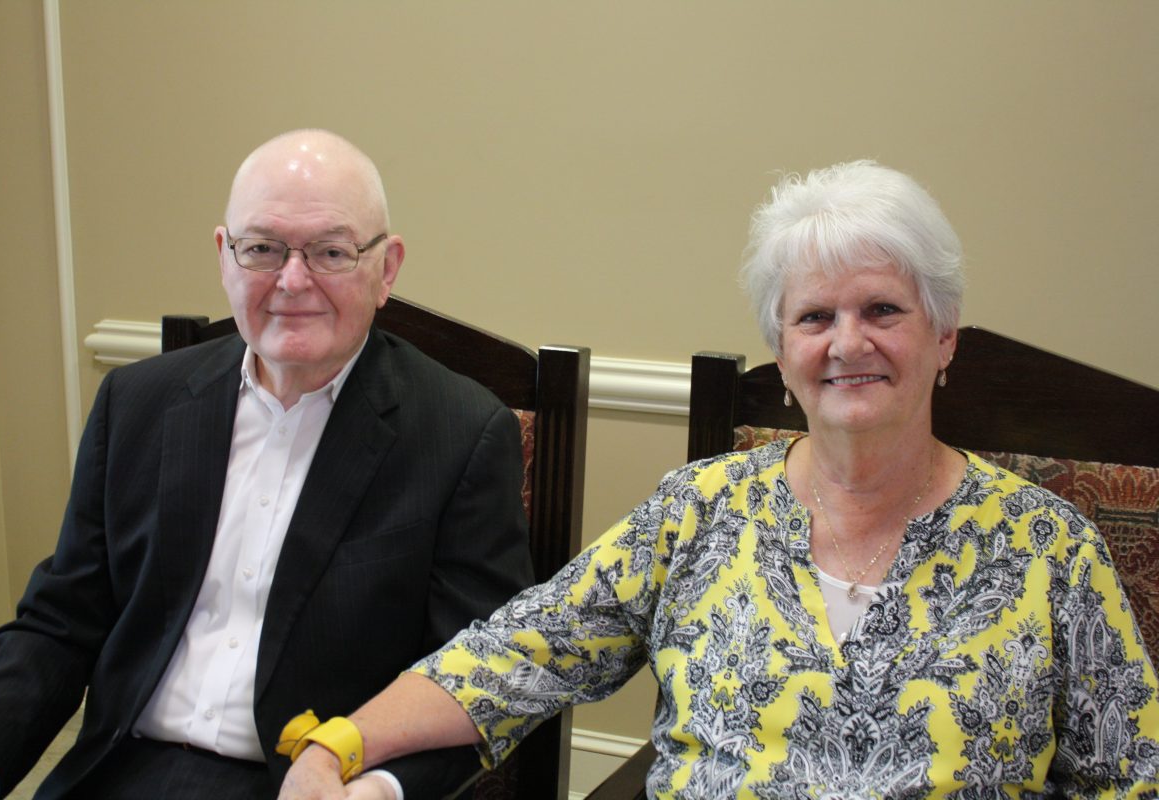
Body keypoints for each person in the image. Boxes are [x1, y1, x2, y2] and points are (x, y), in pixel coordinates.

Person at [279, 160, 1159, 799]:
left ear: (946, 338)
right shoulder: (700, 511)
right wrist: (340, 746)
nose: (848, 344)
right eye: (815, 317)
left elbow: (1133, 775)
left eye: (883, 310)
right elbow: (517, 654)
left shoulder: (1048, 546)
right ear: (782, 356)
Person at [0, 129, 533, 800]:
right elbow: (59, 624)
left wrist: (376, 789)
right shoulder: (138, 403)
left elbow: (477, 677)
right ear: (224, 256)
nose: (293, 280)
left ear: (388, 267)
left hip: (311, 785)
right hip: (119, 768)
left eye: (330, 251)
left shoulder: (460, 435)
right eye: (262, 248)